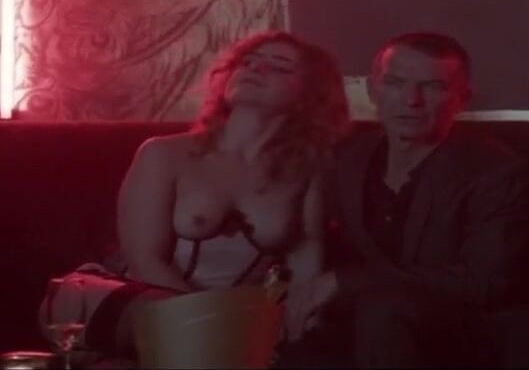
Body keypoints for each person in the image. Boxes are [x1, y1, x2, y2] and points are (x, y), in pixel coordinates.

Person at [37, 30, 350, 359]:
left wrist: (297, 324)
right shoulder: (163, 154)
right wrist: (214, 324)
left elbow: (305, 263)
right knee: (177, 328)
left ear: (308, 94)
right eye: (248, 61)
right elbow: (144, 260)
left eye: (280, 66)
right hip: (127, 301)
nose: (256, 68)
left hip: (231, 321)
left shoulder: (305, 172)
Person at [280, 32, 529, 368]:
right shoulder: (347, 156)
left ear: (462, 98)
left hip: (457, 333)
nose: (411, 100)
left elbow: (485, 282)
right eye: (395, 83)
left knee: (384, 310)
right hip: (357, 326)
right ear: (373, 89)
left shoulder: (495, 171)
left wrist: (348, 281)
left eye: (433, 87)